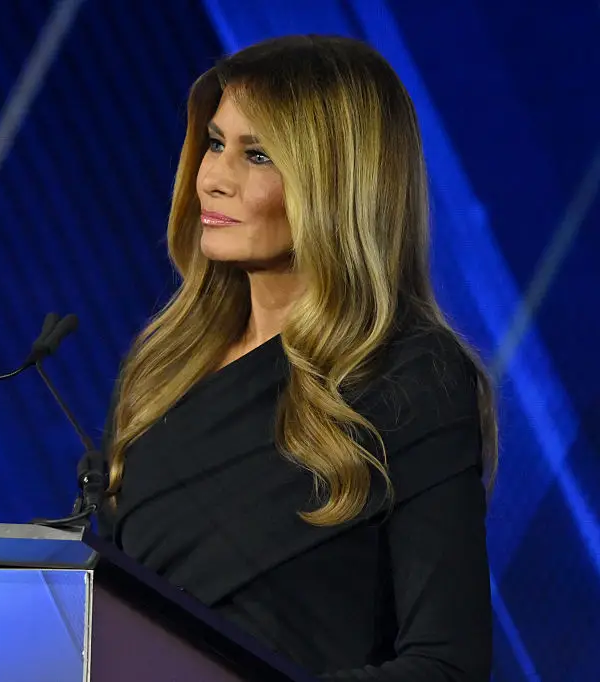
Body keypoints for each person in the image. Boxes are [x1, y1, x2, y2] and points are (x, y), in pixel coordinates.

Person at [97, 35, 496, 681]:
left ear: (337, 182)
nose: (214, 177)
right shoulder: (164, 366)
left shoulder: (409, 377)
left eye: (257, 155)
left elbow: (447, 664)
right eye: (216, 143)